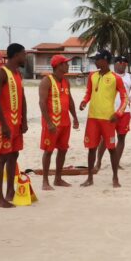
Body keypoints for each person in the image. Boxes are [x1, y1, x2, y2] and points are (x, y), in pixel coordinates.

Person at [79, 50, 128, 187]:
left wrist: (118, 114)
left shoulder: (115, 78)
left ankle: (115, 178)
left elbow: (125, 98)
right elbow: (88, 92)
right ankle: (90, 178)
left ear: (105, 60)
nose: (95, 61)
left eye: (97, 59)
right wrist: (84, 102)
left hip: (108, 119)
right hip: (92, 118)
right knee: (91, 148)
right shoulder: (92, 76)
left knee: (111, 149)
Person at [0, 43, 28, 207]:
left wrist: (24, 119)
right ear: (15, 55)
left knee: (14, 155)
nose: (25, 57)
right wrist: (4, 124)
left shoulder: (18, 73)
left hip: (16, 122)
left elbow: (23, 97)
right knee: (3, 157)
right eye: (23, 54)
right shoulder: (1, 72)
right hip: (4, 123)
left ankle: (10, 191)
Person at [39, 55, 80, 190]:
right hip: (52, 123)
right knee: (48, 151)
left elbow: (70, 100)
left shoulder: (66, 81)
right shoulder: (47, 81)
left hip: (65, 122)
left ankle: (58, 178)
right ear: (58, 66)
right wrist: (49, 123)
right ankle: (45, 181)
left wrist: (75, 117)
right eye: (65, 63)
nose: (68, 65)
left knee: (63, 150)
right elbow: (42, 103)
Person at [94, 55, 131, 171]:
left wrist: (127, 100)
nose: (122, 63)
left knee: (121, 138)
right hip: (109, 112)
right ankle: (98, 162)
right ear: (114, 64)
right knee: (105, 138)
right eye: (119, 61)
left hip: (125, 112)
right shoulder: (108, 76)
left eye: (125, 61)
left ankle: (116, 162)